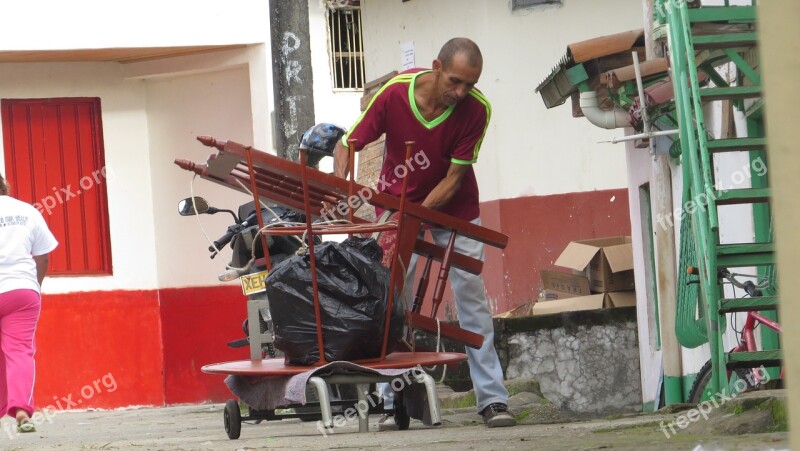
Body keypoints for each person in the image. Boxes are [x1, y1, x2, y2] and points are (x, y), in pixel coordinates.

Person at [332, 37, 516, 428]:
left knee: (470, 296)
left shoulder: (477, 109)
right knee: (394, 298)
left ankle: (493, 400)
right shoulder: (394, 93)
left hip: (455, 209)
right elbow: (349, 143)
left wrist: (414, 216)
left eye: (470, 84)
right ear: (435, 66)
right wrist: (342, 189)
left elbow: (454, 178)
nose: (461, 92)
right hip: (396, 202)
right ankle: (390, 400)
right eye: (454, 81)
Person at [0, 172, 58, 433]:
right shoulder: (27, 212)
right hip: (22, 290)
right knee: (19, 351)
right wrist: (35, 285)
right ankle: (21, 409)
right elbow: (43, 256)